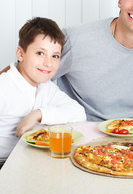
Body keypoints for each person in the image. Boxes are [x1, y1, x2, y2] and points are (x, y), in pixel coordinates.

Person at [0, 17, 86, 169]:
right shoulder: (5, 87)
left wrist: (38, 114)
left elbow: (78, 112)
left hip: (27, 160)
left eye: (55, 56)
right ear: (21, 54)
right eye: (40, 53)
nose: (48, 63)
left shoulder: (45, 87)